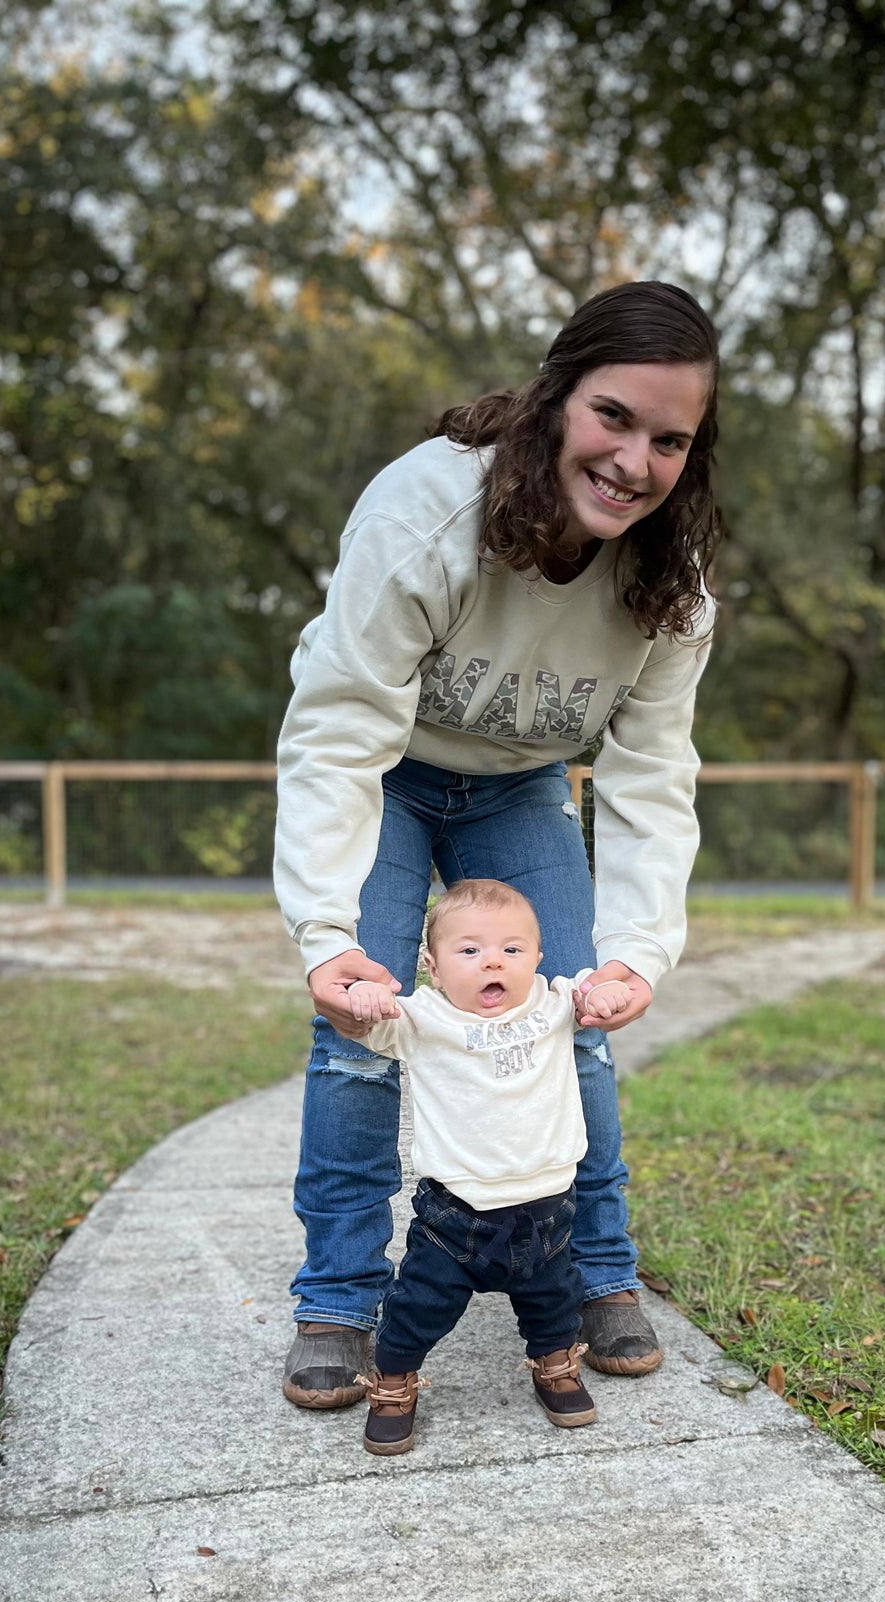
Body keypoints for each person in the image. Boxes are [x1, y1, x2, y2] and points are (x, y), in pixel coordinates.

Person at [274, 279, 723, 1411]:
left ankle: (595, 1275)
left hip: (521, 786)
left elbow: (651, 778)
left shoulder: (669, 590)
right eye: (612, 416)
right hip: (386, 773)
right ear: (556, 394)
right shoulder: (426, 512)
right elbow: (336, 733)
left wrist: (635, 950)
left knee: (574, 1015)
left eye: (669, 439)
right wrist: (326, 933)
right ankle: (336, 1299)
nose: (633, 459)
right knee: (359, 1035)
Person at [346, 878, 634, 1455]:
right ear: (431, 964)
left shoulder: (556, 1004)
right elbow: (361, 1028)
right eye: (469, 950)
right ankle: (394, 1381)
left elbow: (598, 995)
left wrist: (605, 997)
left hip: (548, 1210)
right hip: (457, 1216)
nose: (492, 963)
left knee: (554, 1301)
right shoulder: (421, 1018)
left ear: (537, 957)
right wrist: (361, 1002)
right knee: (417, 1307)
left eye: (511, 949)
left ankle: (555, 1364)